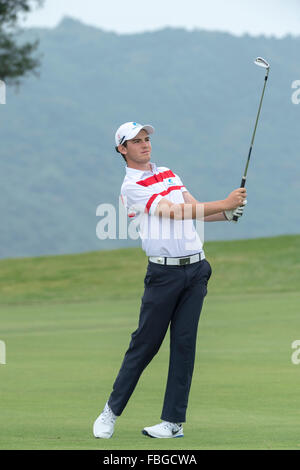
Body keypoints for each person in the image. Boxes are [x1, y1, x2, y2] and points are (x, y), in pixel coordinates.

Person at [93, 122, 247, 439]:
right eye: (135, 141)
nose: (144, 144)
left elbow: (193, 209)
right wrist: (225, 203)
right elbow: (172, 212)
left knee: (184, 346)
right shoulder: (131, 187)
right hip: (164, 275)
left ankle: (172, 423)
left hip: (196, 269)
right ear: (122, 149)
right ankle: (111, 412)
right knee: (145, 345)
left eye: (146, 139)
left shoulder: (168, 173)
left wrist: (228, 212)